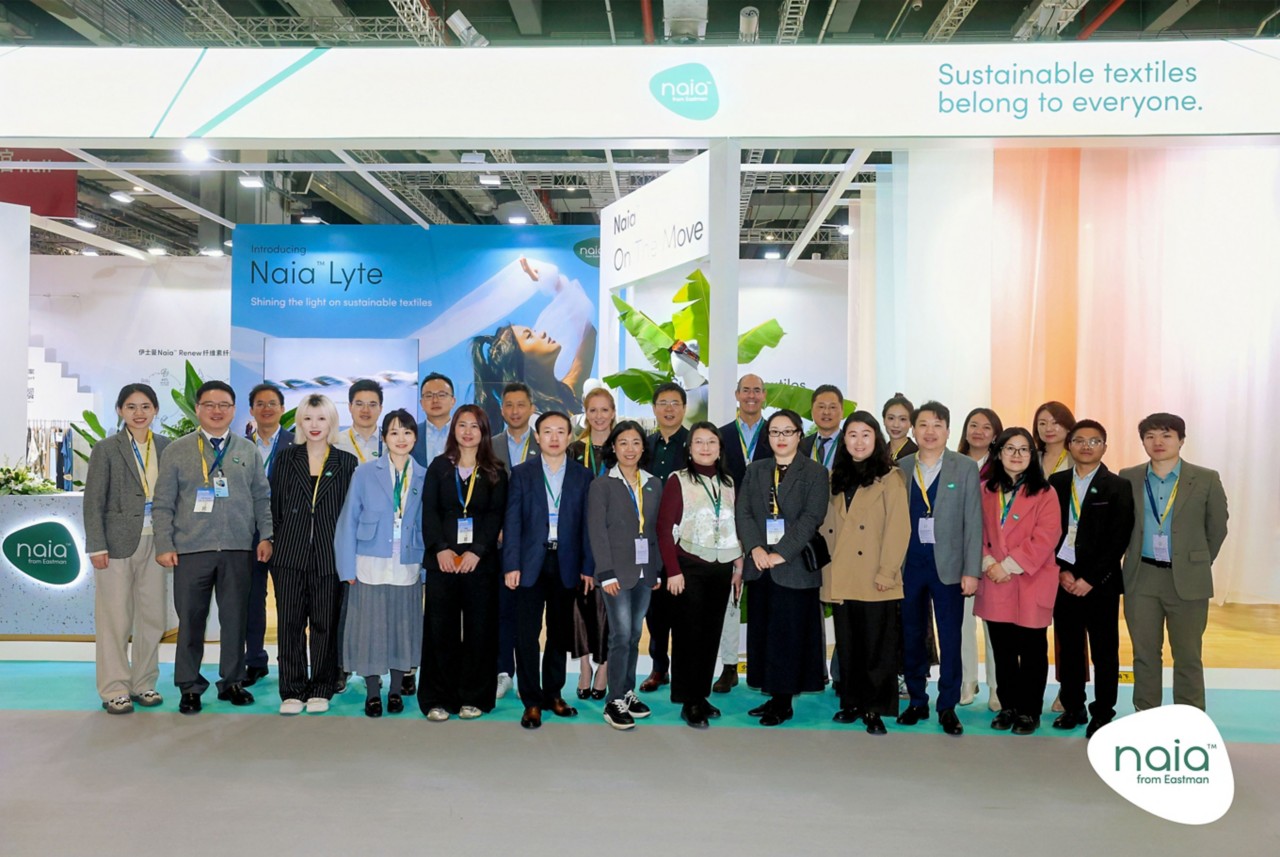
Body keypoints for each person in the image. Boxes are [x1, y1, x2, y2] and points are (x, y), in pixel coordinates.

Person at [151, 380, 273, 715]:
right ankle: (189, 687)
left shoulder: (247, 450)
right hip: (191, 550)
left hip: (238, 549)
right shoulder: (177, 450)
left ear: (233, 411)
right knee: (190, 621)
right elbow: (162, 503)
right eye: (209, 405)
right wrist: (164, 543)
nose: (217, 411)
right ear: (198, 409)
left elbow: (262, 497)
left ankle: (231, 681)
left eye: (224, 405)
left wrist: (266, 536)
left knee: (235, 619)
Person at [1119, 413, 1228, 712]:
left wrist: (1194, 560)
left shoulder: (1205, 478)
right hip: (1142, 576)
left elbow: (1217, 527)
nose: (1158, 442)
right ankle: (1146, 712)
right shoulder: (1127, 477)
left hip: (1188, 580)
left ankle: (1190, 716)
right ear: (1142, 441)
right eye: (1150, 436)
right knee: (1144, 654)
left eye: (1166, 435)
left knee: (1188, 654)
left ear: (1181, 440)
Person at [736, 409, 830, 726]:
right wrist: (756, 549)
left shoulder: (815, 473)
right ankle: (771, 691)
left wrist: (781, 554)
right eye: (774, 432)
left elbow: (810, 519)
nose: (780, 438)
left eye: (787, 432)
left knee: (789, 636)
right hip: (760, 566)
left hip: (795, 567)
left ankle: (783, 700)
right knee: (764, 633)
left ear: (799, 436)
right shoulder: (756, 470)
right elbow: (744, 513)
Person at [83, 384, 172, 714]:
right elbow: (93, 502)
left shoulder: (166, 447)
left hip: (157, 543)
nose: (139, 413)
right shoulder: (106, 449)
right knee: (115, 619)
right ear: (120, 410)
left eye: (146, 406)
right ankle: (114, 688)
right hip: (116, 545)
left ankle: (144, 683)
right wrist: (96, 545)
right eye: (131, 407)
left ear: (155, 410)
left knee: (153, 618)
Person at [503, 411, 595, 729]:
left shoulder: (583, 477)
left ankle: (553, 694)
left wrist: (588, 567)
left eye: (560, 431)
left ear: (570, 437)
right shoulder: (522, 474)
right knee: (526, 635)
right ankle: (531, 701)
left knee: (559, 633)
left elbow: (588, 527)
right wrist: (511, 564)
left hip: (566, 563)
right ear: (537, 437)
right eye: (547, 431)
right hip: (530, 564)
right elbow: (512, 523)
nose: (554, 437)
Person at [895, 400, 982, 736]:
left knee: (950, 636)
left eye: (937, 425)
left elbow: (973, 523)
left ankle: (947, 705)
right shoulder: (900, 467)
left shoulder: (964, 468)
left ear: (947, 430)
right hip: (910, 566)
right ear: (913, 430)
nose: (929, 432)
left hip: (949, 567)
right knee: (912, 635)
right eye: (923, 425)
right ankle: (917, 700)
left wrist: (971, 570)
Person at [820, 411, 910, 735]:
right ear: (844, 440)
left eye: (866, 434)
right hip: (841, 574)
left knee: (877, 646)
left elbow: (898, 529)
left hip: (875, 575)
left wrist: (887, 572)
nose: (859, 441)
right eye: (852, 435)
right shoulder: (835, 477)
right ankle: (853, 702)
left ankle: (875, 709)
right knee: (848, 644)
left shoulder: (890, 477)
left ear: (877, 439)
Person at [268, 394, 358, 715]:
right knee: (290, 624)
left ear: (332, 422)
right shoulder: (285, 458)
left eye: (321, 418)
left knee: (325, 624)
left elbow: (350, 516)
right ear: (300, 423)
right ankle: (291, 689)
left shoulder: (346, 463)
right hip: (289, 558)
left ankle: (321, 686)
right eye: (308, 418)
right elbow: (275, 507)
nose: (314, 425)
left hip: (328, 558)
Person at [334, 410, 427, 718]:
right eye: (394, 432)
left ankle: (397, 690)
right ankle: (373, 692)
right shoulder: (364, 473)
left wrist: (426, 569)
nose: (401, 439)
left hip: (407, 564)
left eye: (407, 432)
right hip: (369, 563)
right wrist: (347, 568)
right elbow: (348, 521)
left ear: (415, 437)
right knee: (370, 630)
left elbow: (428, 526)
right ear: (384, 437)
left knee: (403, 627)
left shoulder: (424, 475)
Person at [419, 406, 508, 722]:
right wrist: (441, 550)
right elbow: (428, 511)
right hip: (442, 562)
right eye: (462, 425)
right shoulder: (439, 467)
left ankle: (474, 696)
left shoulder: (495, 470)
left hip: (479, 564)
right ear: (453, 429)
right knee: (439, 631)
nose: (468, 431)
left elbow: (496, 515)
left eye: (475, 426)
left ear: (484, 431)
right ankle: (437, 698)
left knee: (479, 631)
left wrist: (477, 551)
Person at [975, 427, 1063, 735]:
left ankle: (1029, 711)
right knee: (1002, 651)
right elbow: (978, 531)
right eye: (1010, 448)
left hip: (1030, 579)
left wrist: (1009, 566)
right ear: (998, 453)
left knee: (1033, 650)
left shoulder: (1045, 492)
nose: (1016, 455)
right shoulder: (985, 489)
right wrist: (988, 562)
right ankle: (1008, 706)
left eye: (1023, 449)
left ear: (1032, 455)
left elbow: (1046, 537)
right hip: (994, 579)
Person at [1049, 419, 1134, 737]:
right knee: (1068, 648)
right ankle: (1073, 707)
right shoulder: (1055, 483)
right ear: (1069, 445)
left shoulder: (1117, 485)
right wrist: (1062, 571)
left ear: (1104, 447)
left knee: (1104, 651)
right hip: (1063, 579)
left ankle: (1103, 711)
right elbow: (1046, 532)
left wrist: (1090, 578)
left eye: (1094, 441)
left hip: (1100, 584)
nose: (1086, 446)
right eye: (1080, 440)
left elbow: (1119, 538)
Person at [658, 423, 744, 728]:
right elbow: (664, 530)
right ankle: (688, 700)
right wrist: (673, 570)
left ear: (720, 448)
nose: (705, 447)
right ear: (689, 447)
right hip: (689, 567)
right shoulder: (677, 481)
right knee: (687, 636)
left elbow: (734, 524)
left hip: (721, 567)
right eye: (699, 442)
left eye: (711, 442)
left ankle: (701, 694)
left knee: (710, 635)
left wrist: (738, 564)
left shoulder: (729, 482)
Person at [587, 421, 663, 730]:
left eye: (635, 442)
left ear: (643, 447)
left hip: (645, 573)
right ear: (613, 448)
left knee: (633, 635)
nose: (629, 449)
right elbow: (597, 532)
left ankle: (627, 692)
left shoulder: (653, 483)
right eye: (623, 443)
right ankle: (613, 700)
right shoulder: (602, 485)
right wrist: (605, 572)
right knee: (619, 636)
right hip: (614, 573)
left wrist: (656, 568)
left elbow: (656, 530)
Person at [712, 374, 772, 695]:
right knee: (730, 600)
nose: (751, 395)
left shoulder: (776, 434)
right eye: (745, 390)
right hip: (728, 531)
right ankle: (729, 666)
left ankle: (764, 666)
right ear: (736, 394)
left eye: (756, 390)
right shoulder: (720, 436)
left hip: (767, 532)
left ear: (764, 395)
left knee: (764, 600)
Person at [639, 382, 690, 694]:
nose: (669, 408)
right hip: (647, 541)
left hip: (683, 544)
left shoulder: (694, 444)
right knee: (654, 612)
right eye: (663, 403)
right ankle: (659, 668)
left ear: (684, 408)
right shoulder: (644, 446)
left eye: (675, 403)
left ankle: (685, 673)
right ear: (654, 408)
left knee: (683, 611)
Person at [491, 381, 540, 700]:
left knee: (531, 616)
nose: (515, 411)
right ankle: (502, 671)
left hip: (534, 545)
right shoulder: (490, 445)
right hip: (499, 543)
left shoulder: (546, 442)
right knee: (502, 611)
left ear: (531, 407)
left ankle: (528, 675)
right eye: (509, 405)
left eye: (521, 404)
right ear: (502, 409)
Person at [567, 386, 616, 700]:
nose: (599, 417)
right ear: (586, 414)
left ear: (613, 412)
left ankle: (605, 668)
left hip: (614, 540)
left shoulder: (623, 447)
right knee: (580, 605)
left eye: (604, 410)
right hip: (577, 537)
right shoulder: (574, 450)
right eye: (593, 410)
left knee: (610, 608)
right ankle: (584, 666)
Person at [243, 382, 292, 687]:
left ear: (282, 409)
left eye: (272, 403)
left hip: (287, 532)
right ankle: (255, 660)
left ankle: (290, 662)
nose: (267, 409)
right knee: (252, 599)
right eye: (260, 404)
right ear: (252, 410)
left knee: (288, 600)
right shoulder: (239, 446)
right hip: (248, 533)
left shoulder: (296, 443)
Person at [955, 406, 1004, 709]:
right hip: (959, 557)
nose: (979, 431)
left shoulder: (1002, 467)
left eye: (986, 427)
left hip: (992, 558)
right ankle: (966, 681)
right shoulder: (954, 465)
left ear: (995, 434)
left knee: (993, 625)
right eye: (973, 425)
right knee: (960, 624)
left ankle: (997, 687)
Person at [472, 321, 597, 433]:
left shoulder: (566, 393)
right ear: (521, 362)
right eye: (529, 336)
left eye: (534, 331)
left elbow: (589, 334)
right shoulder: (530, 419)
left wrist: (568, 297)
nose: (542, 333)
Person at [1033, 399, 1078, 715]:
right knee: (1030, 627)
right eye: (1042, 423)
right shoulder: (1028, 456)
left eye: (1055, 422)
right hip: (1031, 551)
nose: (1049, 429)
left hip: (1066, 551)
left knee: (1068, 628)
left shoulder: (1079, 458)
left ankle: (1068, 689)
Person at [334, 379, 384, 464]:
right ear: (350, 407)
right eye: (359, 404)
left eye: (372, 405)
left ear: (380, 409)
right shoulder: (335, 443)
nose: (365, 410)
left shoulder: (392, 443)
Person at [411, 372, 455, 469]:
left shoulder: (465, 434)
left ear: (453, 401)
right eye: (429, 396)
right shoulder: (411, 434)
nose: (435, 400)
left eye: (442, 395)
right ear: (421, 403)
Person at [798, 384, 845, 472]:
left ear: (842, 412)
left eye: (832, 407)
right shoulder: (801, 446)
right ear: (812, 411)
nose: (826, 412)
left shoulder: (850, 445)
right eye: (821, 407)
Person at [882, 393, 917, 462]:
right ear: (884, 420)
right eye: (891, 418)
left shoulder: (916, 455)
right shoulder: (879, 453)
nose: (896, 425)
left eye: (902, 419)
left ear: (911, 423)